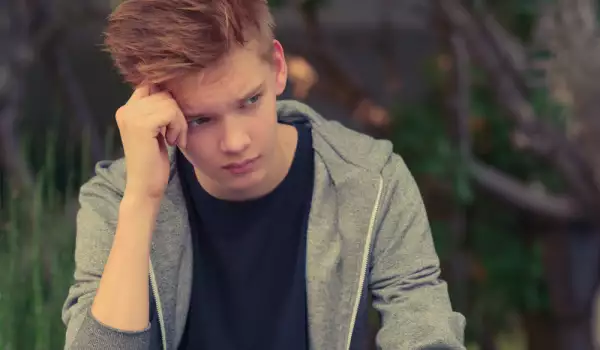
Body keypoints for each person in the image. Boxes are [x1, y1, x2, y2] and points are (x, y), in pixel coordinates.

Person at [61, 0, 466, 349]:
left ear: (277, 66)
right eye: (200, 120)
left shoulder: (370, 181)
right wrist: (142, 202)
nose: (235, 141)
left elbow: (424, 330)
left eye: (250, 100)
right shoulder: (118, 200)